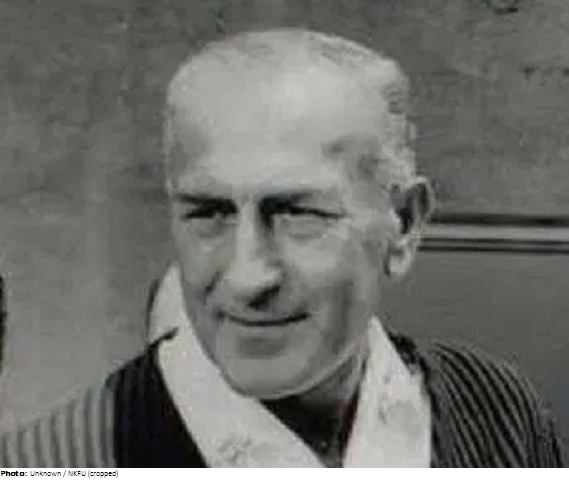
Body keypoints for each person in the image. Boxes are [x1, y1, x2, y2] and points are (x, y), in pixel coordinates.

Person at [0, 28, 563, 468]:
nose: (247, 277)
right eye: (208, 213)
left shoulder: (497, 411)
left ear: (404, 224)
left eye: (297, 214)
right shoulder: (52, 464)